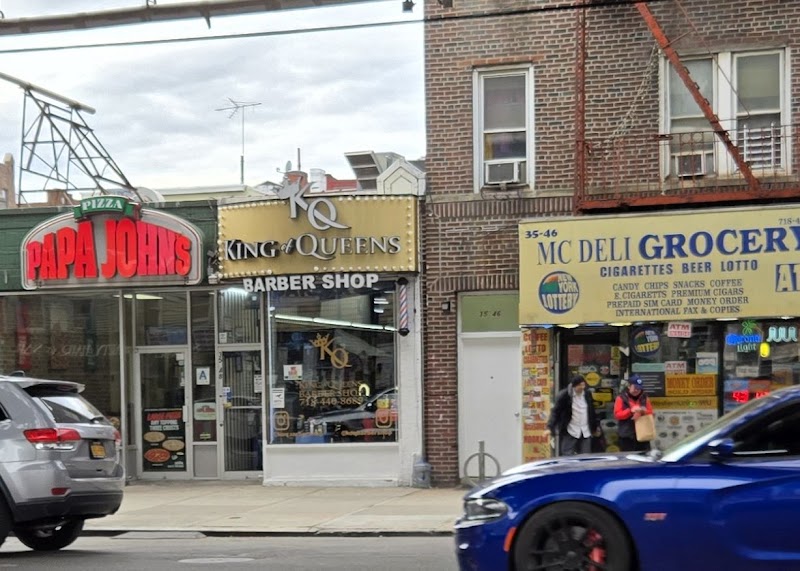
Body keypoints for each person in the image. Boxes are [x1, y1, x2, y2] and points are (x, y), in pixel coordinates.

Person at [547, 375, 601, 456]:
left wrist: (595, 425)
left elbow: (591, 411)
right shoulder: (565, 395)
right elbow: (556, 411)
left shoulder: (587, 394)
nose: (582, 387)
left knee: (586, 455)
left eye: (583, 385)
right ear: (574, 386)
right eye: (580, 385)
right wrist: (550, 427)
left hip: (585, 429)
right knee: (567, 454)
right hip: (571, 429)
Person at [614, 374, 654, 452]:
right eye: (635, 388)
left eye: (639, 388)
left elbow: (651, 413)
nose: (637, 390)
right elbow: (617, 415)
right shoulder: (620, 398)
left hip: (643, 434)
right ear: (629, 386)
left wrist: (641, 411)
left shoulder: (644, 398)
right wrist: (630, 411)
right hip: (627, 436)